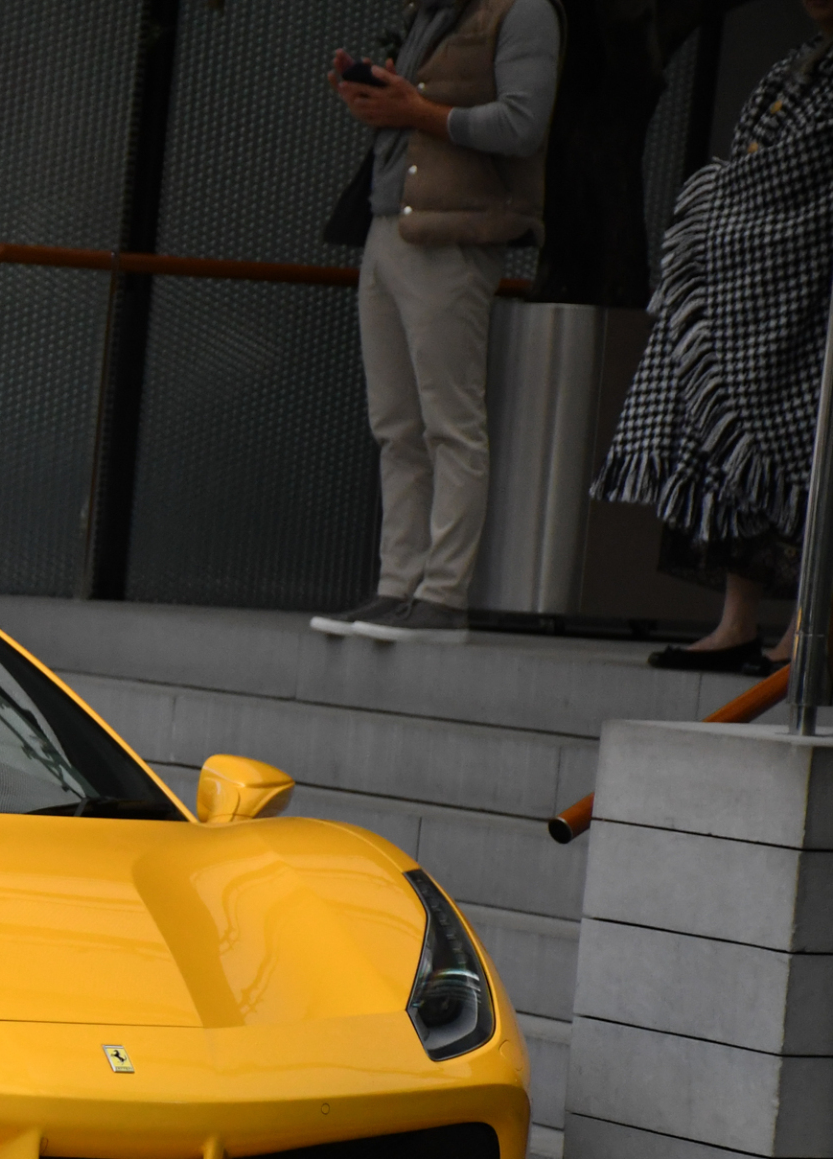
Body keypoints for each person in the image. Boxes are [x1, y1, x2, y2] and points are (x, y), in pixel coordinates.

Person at [308, 0, 564, 646]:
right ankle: (398, 585)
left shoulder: (524, 11)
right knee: (395, 424)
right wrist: (374, 95)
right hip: (389, 223)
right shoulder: (434, 14)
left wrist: (414, 110)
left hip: (453, 235)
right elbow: (417, 110)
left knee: (451, 422)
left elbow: (523, 124)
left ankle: (444, 596)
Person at [595, 0, 833, 672]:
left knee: (807, 459)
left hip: (816, 299)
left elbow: (797, 186)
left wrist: (716, 208)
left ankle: (807, 630)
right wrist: (723, 216)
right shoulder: (794, 68)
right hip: (755, 290)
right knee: (728, 443)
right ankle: (736, 622)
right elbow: (751, 170)